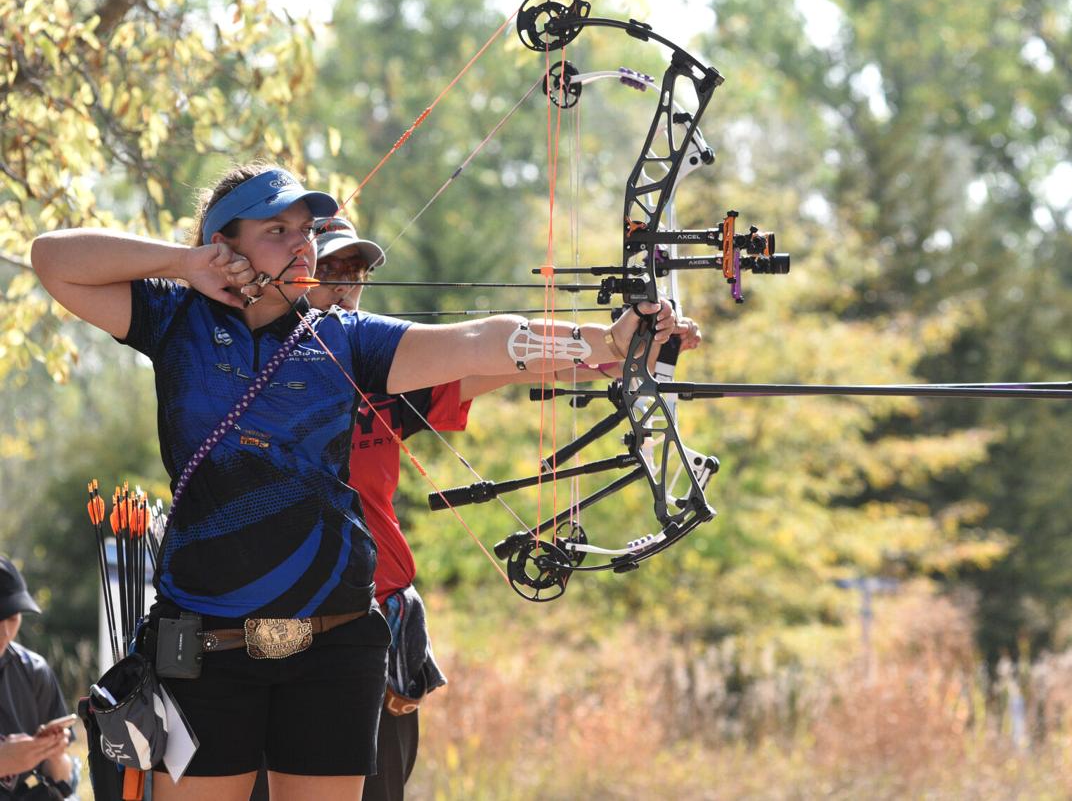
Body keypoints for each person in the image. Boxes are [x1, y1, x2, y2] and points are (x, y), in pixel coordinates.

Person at [29, 161, 676, 801]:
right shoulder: (174, 320)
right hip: (206, 645)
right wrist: (183, 263)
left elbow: (479, 340)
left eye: (306, 229)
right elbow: (51, 257)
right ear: (224, 243)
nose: (302, 244)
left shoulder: (343, 337)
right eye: (276, 229)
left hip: (335, 642)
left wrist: (605, 339)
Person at [274, 225, 701, 801]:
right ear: (289, 274)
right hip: (280, 630)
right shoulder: (252, 375)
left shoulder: (383, 371)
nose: (347, 287)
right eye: (331, 272)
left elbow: (503, 357)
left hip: (373, 626)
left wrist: (624, 346)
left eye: (358, 273)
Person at [0, 556, 78, 800]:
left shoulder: (33, 671)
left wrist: (52, 751)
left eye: (12, 618)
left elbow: (63, 780)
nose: (4, 633)